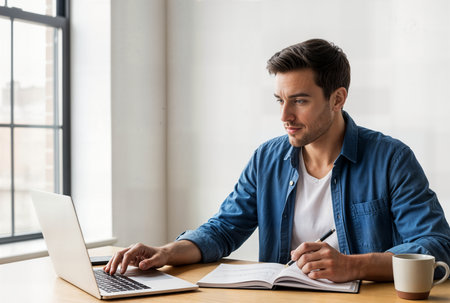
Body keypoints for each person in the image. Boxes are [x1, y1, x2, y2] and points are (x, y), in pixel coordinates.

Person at [105, 39, 450, 282]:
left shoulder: (391, 159)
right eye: (279, 100)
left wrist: (352, 265)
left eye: (299, 101)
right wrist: (167, 252)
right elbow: (224, 228)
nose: (285, 115)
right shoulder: (267, 158)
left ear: (337, 98)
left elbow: (436, 245)